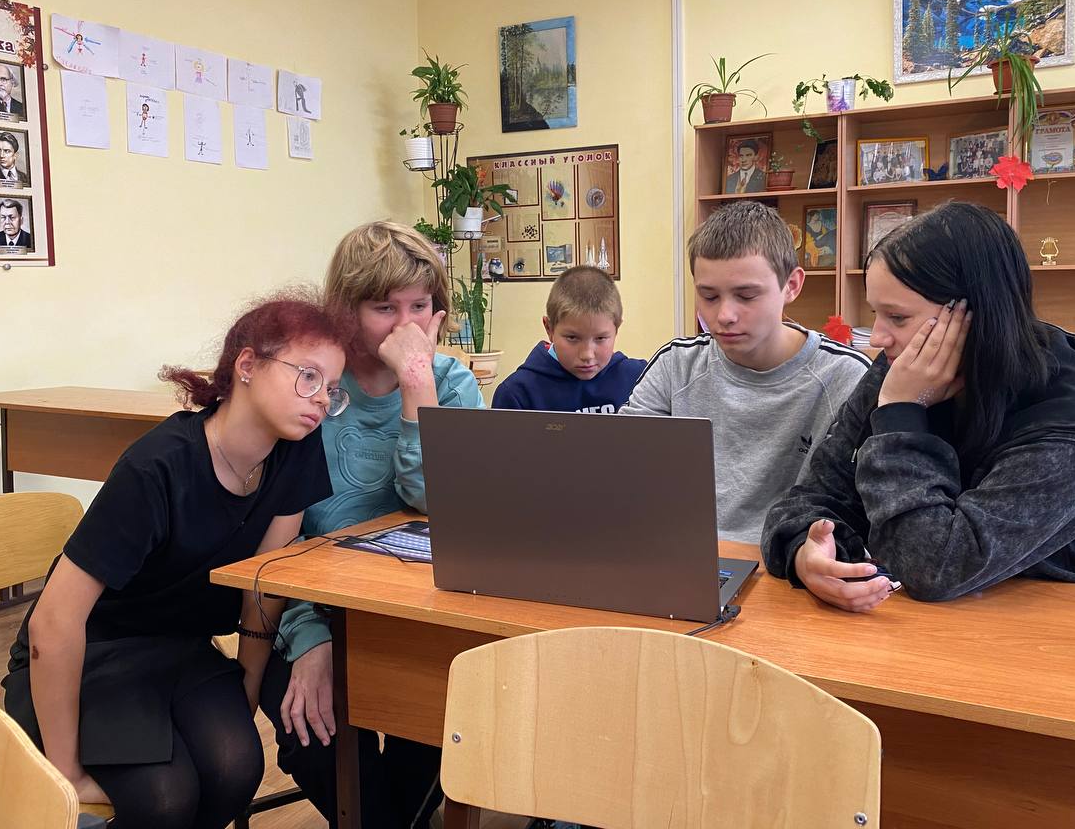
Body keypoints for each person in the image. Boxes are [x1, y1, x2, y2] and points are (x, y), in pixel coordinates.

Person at [1, 294, 350, 828]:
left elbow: (262, 586)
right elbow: (53, 623)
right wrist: (64, 773)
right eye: (308, 376)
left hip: (180, 650)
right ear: (248, 365)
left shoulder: (296, 448)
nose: (322, 399)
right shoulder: (157, 467)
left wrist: (246, 691)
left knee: (236, 768)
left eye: (331, 388)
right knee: (165, 799)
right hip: (92, 654)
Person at [761, 201, 1075, 612]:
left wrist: (901, 414)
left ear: (975, 316)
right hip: (939, 625)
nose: (877, 338)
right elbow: (809, 498)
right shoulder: (907, 366)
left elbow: (931, 567)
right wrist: (806, 552)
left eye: (897, 317)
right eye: (877, 313)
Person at [260, 221, 484, 828]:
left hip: (421, 610)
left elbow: (441, 505)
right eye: (385, 308)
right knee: (314, 736)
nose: (405, 327)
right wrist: (311, 639)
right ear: (345, 310)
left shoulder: (453, 384)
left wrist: (417, 384)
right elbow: (281, 535)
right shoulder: (312, 389)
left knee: (431, 736)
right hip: (313, 605)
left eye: (420, 307)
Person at [621, 202, 870, 543]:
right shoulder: (675, 364)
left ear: (791, 285)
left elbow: (855, 508)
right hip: (681, 551)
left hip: (789, 558)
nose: (724, 315)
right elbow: (622, 469)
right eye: (709, 296)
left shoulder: (847, 377)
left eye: (746, 295)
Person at [493, 265, 645, 413]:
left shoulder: (641, 379)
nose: (587, 355)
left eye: (600, 338)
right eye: (572, 338)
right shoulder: (516, 393)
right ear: (549, 329)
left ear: (617, 329)